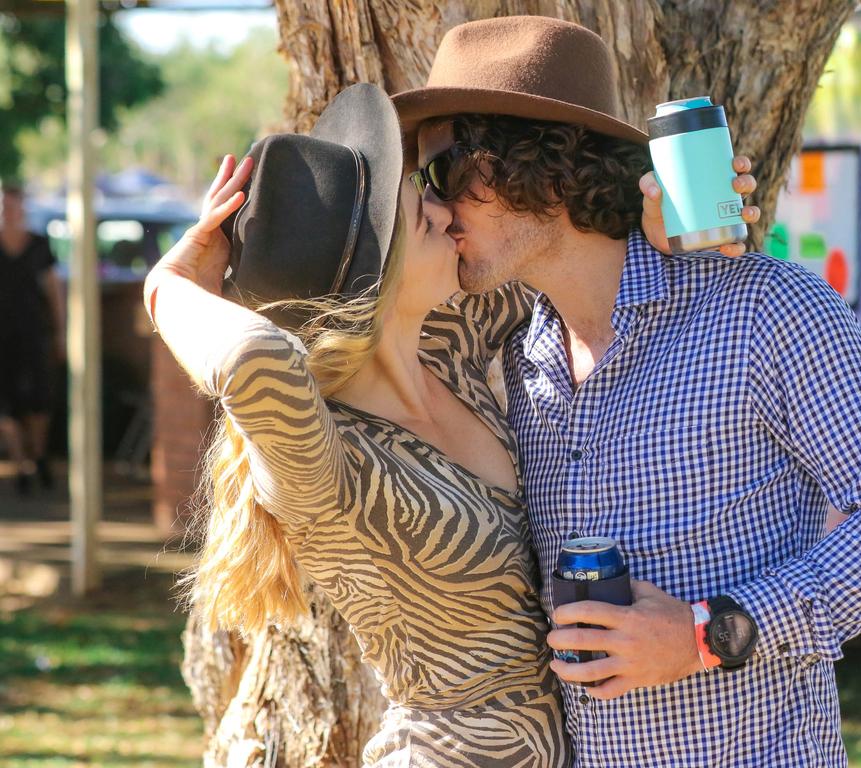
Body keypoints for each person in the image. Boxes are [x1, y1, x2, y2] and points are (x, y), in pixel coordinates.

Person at [393, 15, 861, 766]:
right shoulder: (513, 359)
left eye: (443, 170)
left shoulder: (763, 309)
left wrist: (705, 635)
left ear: (542, 168)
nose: (433, 205)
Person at [145, 83, 756, 767]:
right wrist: (169, 284)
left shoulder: (450, 352)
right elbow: (259, 358)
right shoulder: (324, 456)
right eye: (419, 207)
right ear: (374, 281)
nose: (446, 211)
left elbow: (559, 254)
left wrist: (650, 234)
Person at [0, 180, 64, 495]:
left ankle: (38, 456)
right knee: (6, 404)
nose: (8, 212)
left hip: (34, 331)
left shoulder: (39, 244)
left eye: (13, 206)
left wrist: (62, 330)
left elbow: (54, 289)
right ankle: (22, 464)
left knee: (40, 400)